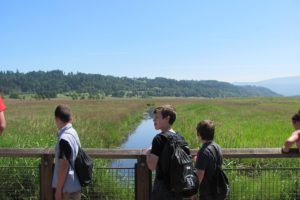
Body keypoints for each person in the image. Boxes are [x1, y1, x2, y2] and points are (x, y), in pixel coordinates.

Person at [145, 105, 182, 200]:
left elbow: (151, 166)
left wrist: (148, 152)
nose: (153, 120)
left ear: (167, 118)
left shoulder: (159, 139)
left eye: (157, 117)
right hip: (179, 187)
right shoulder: (180, 138)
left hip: (163, 188)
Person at [52, 105, 81, 200]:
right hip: (75, 186)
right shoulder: (73, 132)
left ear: (57, 119)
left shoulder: (64, 139)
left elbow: (64, 166)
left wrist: (58, 191)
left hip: (67, 191)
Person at [193, 120, 225, 200]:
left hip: (207, 193)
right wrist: (198, 159)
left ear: (199, 134)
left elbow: (199, 175)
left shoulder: (203, 152)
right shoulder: (217, 147)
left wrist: (193, 193)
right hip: (218, 189)